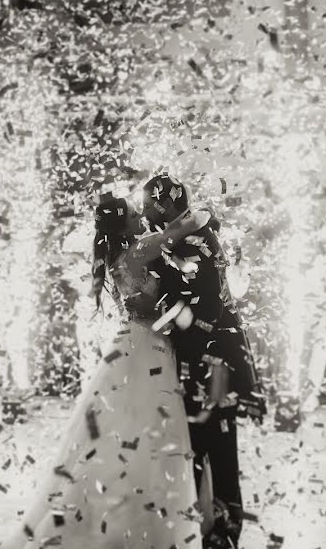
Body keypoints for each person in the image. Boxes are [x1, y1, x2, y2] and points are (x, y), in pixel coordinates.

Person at [2, 192, 209, 549]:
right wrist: (201, 209)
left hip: (129, 344)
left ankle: (115, 514)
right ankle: (143, 523)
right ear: (124, 223)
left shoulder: (118, 258)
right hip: (148, 348)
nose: (139, 214)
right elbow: (191, 223)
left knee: (119, 434)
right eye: (133, 211)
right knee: (150, 433)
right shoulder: (141, 250)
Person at [141, 174, 266, 549]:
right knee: (197, 447)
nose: (145, 211)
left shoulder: (195, 244)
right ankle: (199, 527)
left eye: (148, 204)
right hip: (198, 359)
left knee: (219, 447)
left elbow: (202, 311)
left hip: (215, 363)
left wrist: (156, 315)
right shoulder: (180, 240)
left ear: (163, 204)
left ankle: (225, 532)